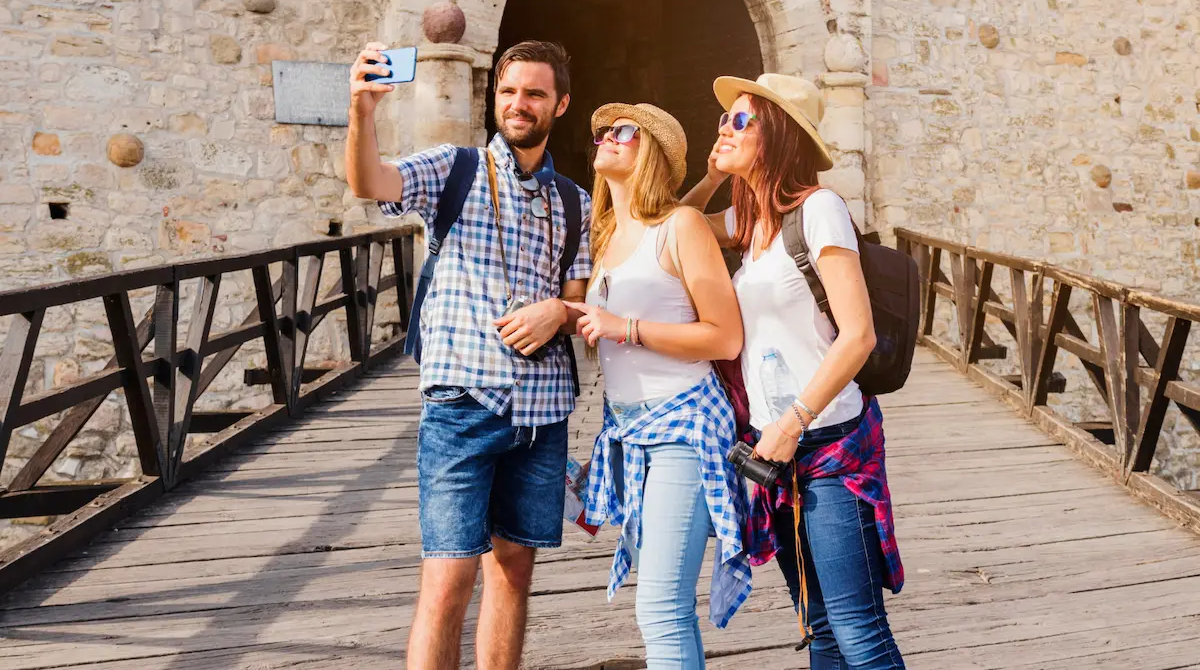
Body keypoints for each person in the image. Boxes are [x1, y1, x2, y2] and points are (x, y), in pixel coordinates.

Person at [344, 39, 592, 670]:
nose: (519, 104)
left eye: (535, 93)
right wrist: (362, 113)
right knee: (449, 578)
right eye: (508, 91)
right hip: (462, 404)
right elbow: (369, 182)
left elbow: (577, 299)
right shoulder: (453, 168)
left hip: (541, 415)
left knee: (512, 572)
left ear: (559, 104)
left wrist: (558, 312)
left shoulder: (574, 201)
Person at [681, 73, 906, 669]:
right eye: (724, 119)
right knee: (821, 629)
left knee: (859, 632)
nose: (723, 127)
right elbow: (673, 231)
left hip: (829, 442)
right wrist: (713, 176)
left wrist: (792, 422)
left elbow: (857, 334)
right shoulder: (747, 223)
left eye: (740, 120)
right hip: (775, 451)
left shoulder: (820, 209)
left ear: (777, 132)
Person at [566, 102, 750, 669]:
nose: (607, 138)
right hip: (629, 433)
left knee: (661, 608)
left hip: (684, 425)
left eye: (624, 131)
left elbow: (725, 338)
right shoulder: (607, 236)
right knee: (665, 610)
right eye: (603, 132)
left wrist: (628, 328)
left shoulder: (683, 226)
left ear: (652, 153)